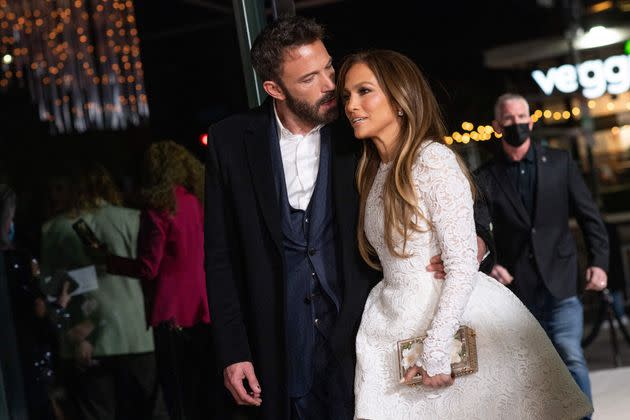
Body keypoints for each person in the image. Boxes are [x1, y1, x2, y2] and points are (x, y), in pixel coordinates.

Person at [205, 16, 493, 420]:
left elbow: (443, 177)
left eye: (328, 67)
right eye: (309, 78)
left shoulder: (357, 123)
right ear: (274, 88)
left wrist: (476, 240)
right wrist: (233, 351)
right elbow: (220, 256)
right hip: (279, 341)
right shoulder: (230, 140)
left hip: (363, 333)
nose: (329, 85)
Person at [338, 49, 592, 419]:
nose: (351, 105)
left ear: (400, 101)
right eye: (347, 95)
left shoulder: (433, 161)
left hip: (452, 321)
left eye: (364, 91)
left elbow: (459, 266)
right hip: (392, 320)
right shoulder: (372, 171)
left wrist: (436, 349)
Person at [475, 93, 610, 412]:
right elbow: (479, 231)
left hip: (562, 281)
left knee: (570, 354)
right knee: (531, 370)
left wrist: (600, 263)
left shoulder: (560, 163)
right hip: (517, 291)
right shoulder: (484, 177)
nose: (517, 123)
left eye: (522, 117)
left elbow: (589, 216)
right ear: (497, 126)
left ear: (531, 122)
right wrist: (490, 265)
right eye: (509, 119)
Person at [41, 163, 167, 420]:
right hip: (136, 333)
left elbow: (52, 289)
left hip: (87, 338)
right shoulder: (134, 219)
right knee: (149, 410)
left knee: (96, 412)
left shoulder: (55, 229)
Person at [104, 140, 214, 420]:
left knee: (176, 393)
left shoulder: (158, 210)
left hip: (170, 312)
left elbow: (148, 268)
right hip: (202, 306)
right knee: (202, 390)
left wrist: (109, 262)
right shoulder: (194, 202)